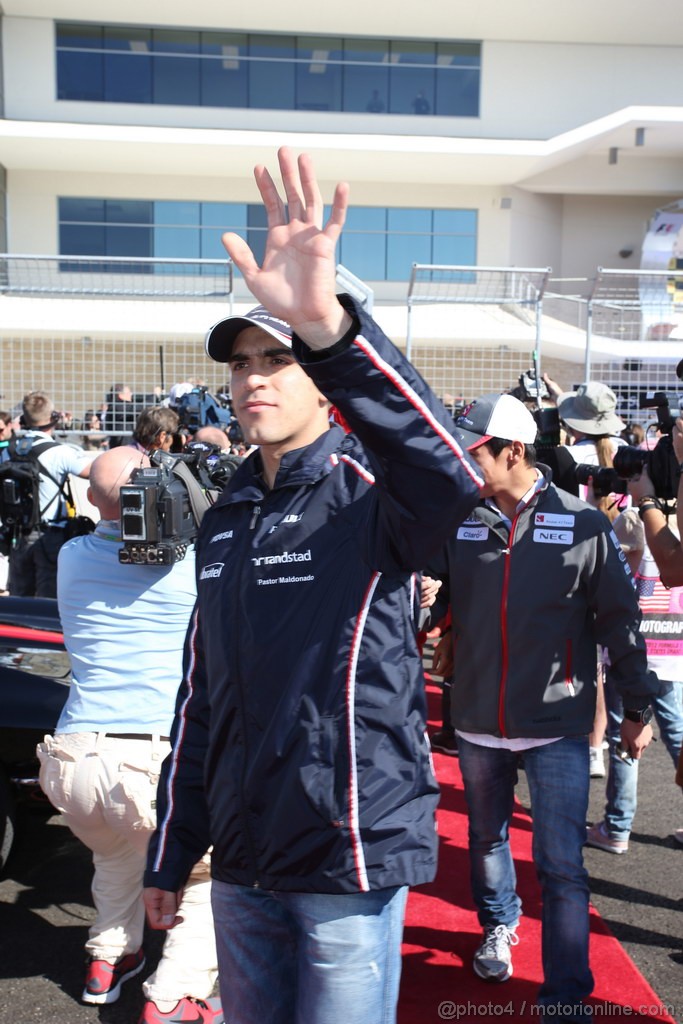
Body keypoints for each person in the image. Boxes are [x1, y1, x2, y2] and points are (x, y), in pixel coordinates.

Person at [142, 147, 483, 1024]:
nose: (254, 376)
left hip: (347, 858)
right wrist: (170, 852)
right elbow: (199, 699)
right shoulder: (224, 517)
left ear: (320, 382)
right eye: (241, 361)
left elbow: (450, 473)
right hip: (243, 860)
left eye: (278, 358)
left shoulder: (373, 490)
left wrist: (331, 333)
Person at [429, 392, 663, 1022]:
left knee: (560, 864)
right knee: (485, 840)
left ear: (513, 450)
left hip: (557, 724)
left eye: (474, 449)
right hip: (478, 721)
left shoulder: (582, 524)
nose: (464, 458)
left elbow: (621, 619)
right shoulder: (461, 517)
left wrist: (638, 705)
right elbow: (437, 597)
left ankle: (565, 997)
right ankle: (499, 926)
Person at [36, 445, 222, 1024]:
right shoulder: (193, 564)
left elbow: (115, 514)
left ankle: (108, 959)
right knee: (206, 873)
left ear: (93, 500)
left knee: (115, 856)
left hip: (72, 759)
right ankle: (176, 994)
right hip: (152, 759)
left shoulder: (70, 556)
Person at [586, 499, 683, 854]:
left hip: (635, 648)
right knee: (678, 735)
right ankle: (616, 824)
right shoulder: (676, 517)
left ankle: (617, 826)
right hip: (674, 648)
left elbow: (615, 572)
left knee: (624, 736)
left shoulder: (633, 517)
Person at [7, 390, 95, 598]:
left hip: (17, 535)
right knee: (49, 598)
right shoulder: (59, 452)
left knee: (20, 597)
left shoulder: (8, 451)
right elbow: (95, 473)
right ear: (52, 417)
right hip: (50, 535)